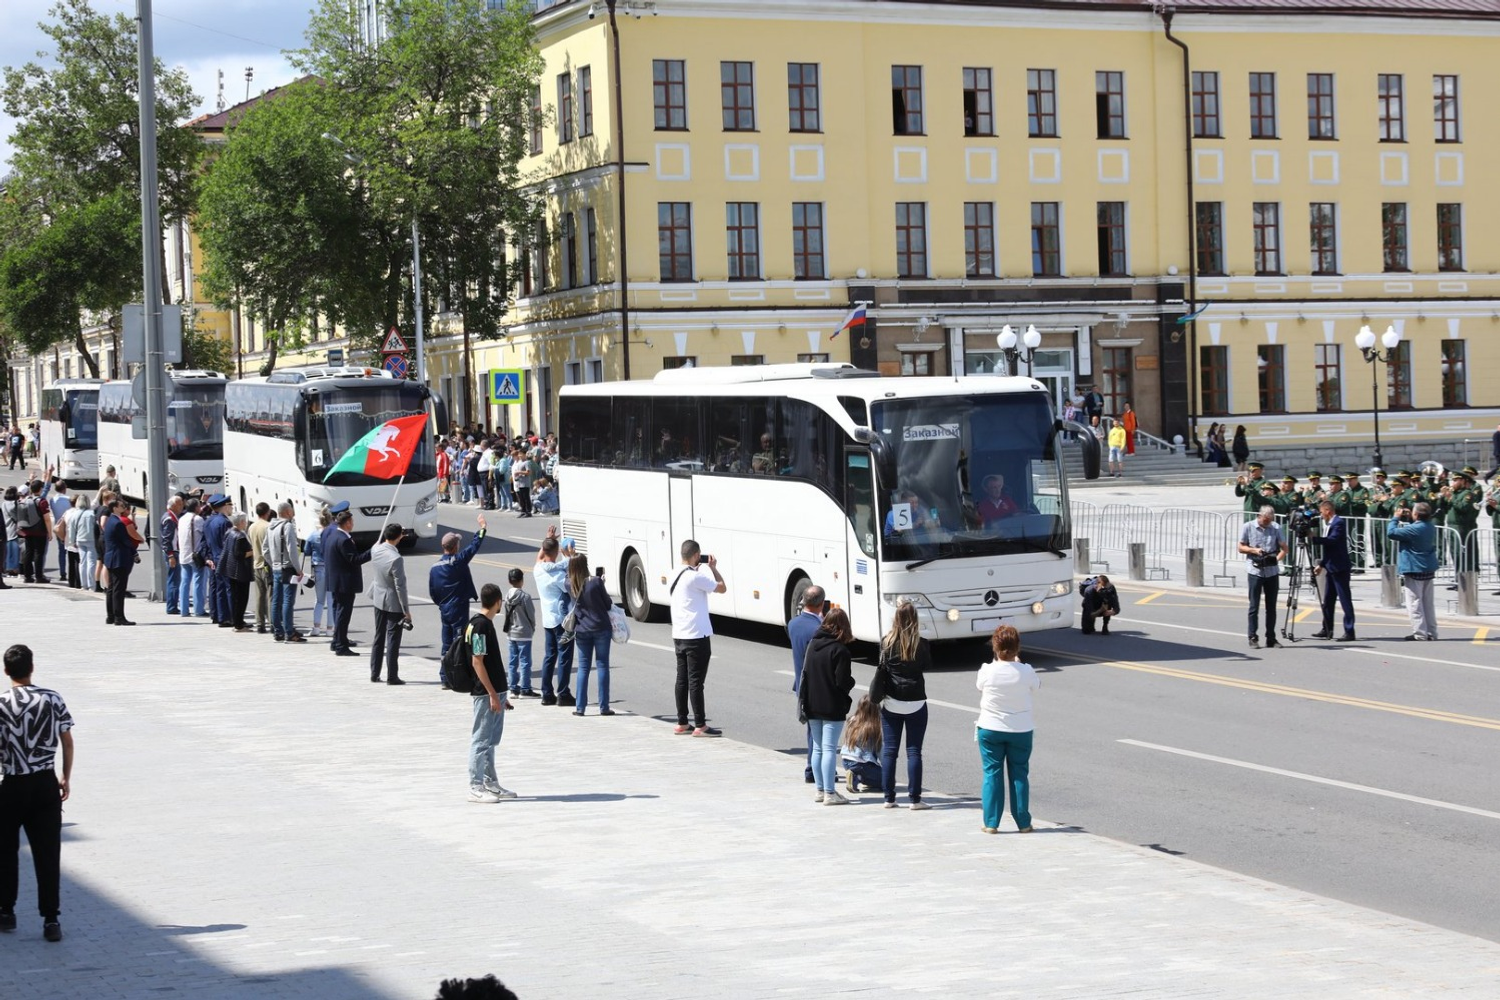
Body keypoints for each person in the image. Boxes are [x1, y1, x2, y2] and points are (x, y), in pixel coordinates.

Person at [0, 644, 75, 942]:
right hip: (45, 783)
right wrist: (65, 777)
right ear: (32, 667)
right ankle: (51, 919)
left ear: (6, 671)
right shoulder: (52, 698)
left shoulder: (2, 702)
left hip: (13, 783)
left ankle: (6, 910)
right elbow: (67, 741)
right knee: (47, 852)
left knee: (5, 851)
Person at [975, 624, 1039, 834]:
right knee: (1019, 774)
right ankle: (1023, 822)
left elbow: (979, 686)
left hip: (991, 727)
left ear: (995, 646)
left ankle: (991, 822)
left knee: (992, 773)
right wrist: (1019, 664)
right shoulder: (1026, 671)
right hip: (1021, 729)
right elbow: (1036, 686)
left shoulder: (987, 670)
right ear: (1017, 648)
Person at [870, 601, 931, 810]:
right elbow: (926, 665)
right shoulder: (921, 644)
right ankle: (915, 799)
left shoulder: (887, 642)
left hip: (891, 702)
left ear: (896, 619)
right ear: (915, 621)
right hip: (916, 702)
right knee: (914, 751)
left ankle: (889, 798)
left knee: (889, 751)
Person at [465, 583, 517, 803]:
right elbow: (478, 662)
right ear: (498, 602)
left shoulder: (483, 624)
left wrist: (500, 696)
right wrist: (493, 695)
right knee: (480, 739)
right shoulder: (479, 626)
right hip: (487, 694)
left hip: (495, 693)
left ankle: (490, 782)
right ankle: (475, 786)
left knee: (490, 741)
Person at [798, 608, 855, 805]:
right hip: (832, 706)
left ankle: (820, 790)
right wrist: (852, 682)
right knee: (830, 749)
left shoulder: (812, 645)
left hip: (812, 704)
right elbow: (842, 681)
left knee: (818, 749)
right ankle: (830, 793)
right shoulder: (840, 650)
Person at [669, 540, 725, 737]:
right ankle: (700, 724)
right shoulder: (695, 577)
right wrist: (713, 568)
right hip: (696, 635)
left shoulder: (674, 572)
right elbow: (721, 587)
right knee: (696, 681)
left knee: (682, 678)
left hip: (679, 634)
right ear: (695, 555)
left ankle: (682, 721)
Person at [429, 516, 488, 684]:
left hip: (445, 609)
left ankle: (444, 677)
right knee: (460, 642)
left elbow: (433, 591)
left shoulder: (435, 568)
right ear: (455, 547)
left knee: (446, 644)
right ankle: (459, 676)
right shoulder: (458, 561)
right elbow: (474, 546)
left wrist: (441, 604)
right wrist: (482, 529)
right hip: (459, 607)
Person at [787, 584, 825, 784]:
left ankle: (812, 767)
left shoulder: (793, 624)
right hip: (818, 686)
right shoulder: (819, 629)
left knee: (812, 729)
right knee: (820, 732)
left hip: (801, 685)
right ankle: (814, 769)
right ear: (820, 604)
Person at [568, 555, 615, 716]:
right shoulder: (595, 581)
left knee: (583, 667)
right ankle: (604, 706)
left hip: (582, 629)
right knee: (602, 665)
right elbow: (608, 603)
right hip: (601, 626)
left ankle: (580, 707)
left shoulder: (569, 584)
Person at [322, 504, 370, 657]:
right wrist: (372, 552)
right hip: (344, 584)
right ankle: (341, 645)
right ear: (347, 523)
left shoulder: (333, 536)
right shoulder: (343, 540)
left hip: (336, 582)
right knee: (343, 615)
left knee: (339, 613)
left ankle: (337, 641)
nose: (353, 524)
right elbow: (354, 560)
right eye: (352, 521)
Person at [533, 534, 576, 706]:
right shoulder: (556, 574)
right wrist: (572, 558)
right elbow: (572, 589)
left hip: (547, 619)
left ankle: (546, 693)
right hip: (561, 620)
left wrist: (546, 539)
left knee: (550, 656)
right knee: (565, 656)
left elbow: (539, 557)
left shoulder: (538, 569)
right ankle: (563, 693)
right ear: (556, 552)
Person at [367, 524, 412, 685]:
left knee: (379, 635)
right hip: (392, 602)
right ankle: (392, 676)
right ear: (399, 537)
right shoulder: (396, 558)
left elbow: (376, 545)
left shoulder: (375, 549)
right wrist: (406, 610)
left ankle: (374, 672)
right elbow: (400, 586)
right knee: (393, 639)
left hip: (379, 597)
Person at [1388, 501, 1439, 641]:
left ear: (1416, 514)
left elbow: (1391, 533)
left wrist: (1395, 518)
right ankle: (1431, 632)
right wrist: (1411, 517)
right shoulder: (1429, 525)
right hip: (1427, 567)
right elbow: (1415, 527)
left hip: (1415, 567)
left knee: (1415, 602)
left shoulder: (1415, 529)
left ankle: (1420, 632)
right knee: (1427, 603)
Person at [1238, 504, 1286, 650]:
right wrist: (1254, 550)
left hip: (1271, 572)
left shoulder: (1276, 527)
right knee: (1254, 606)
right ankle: (1252, 636)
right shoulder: (1248, 526)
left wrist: (1275, 559)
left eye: (1269, 521)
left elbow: (1285, 548)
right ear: (1259, 516)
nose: (1267, 523)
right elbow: (1240, 547)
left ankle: (1271, 638)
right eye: (1265, 521)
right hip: (1255, 571)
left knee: (1271, 607)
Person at [1309, 500, 1356, 642]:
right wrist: (1322, 564)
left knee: (1344, 600)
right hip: (1331, 567)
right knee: (1328, 600)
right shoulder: (1330, 524)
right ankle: (1327, 629)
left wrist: (1314, 539)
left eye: (1322, 512)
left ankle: (1349, 631)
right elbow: (1329, 550)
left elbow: (1333, 541)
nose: (1321, 515)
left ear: (1328, 511)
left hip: (1340, 568)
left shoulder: (1338, 523)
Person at [267, 502, 304, 643]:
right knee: (288, 600)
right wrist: (298, 569)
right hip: (288, 568)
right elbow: (292, 550)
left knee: (276, 600)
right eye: (292, 510)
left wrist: (273, 563)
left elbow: (265, 549)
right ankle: (289, 631)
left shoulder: (271, 526)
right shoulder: (287, 526)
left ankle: (278, 631)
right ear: (288, 512)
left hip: (276, 567)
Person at [102, 499, 142, 626]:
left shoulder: (109, 521)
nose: (124, 507)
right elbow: (126, 540)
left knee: (111, 588)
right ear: (114, 508)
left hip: (110, 558)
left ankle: (111, 616)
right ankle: (119, 617)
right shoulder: (118, 523)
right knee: (119, 589)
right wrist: (134, 553)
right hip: (119, 559)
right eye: (121, 506)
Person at [503, 568, 538, 698]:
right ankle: (525, 688)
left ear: (509, 581)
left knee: (512, 661)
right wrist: (532, 628)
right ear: (521, 581)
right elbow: (531, 615)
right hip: (524, 633)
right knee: (525, 662)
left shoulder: (507, 596)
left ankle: (513, 688)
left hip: (511, 632)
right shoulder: (525, 597)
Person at [839, 696, 883, 794]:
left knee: (870, 774)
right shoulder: (874, 726)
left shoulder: (852, 720)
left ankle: (857, 777)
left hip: (846, 760)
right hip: (861, 763)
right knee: (888, 781)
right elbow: (881, 751)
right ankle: (856, 777)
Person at [202, 495, 234, 626]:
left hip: (213, 558)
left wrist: (208, 557)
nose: (231, 508)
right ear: (225, 506)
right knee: (228, 589)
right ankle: (227, 617)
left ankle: (216, 614)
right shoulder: (225, 523)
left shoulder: (208, 521)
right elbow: (228, 544)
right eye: (230, 505)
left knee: (215, 588)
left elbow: (204, 542)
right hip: (224, 559)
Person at [222, 512, 254, 631]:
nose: (246, 524)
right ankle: (239, 624)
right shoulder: (240, 536)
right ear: (241, 522)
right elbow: (239, 554)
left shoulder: (229, 532)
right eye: (245, 521)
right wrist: (253, 552)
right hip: (240, 572)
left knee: (236, 598)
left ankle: (238, 622)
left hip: (231, 569)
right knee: (241, 598)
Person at [304, 507, 333, 636]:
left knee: (319, 600)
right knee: (331, 599)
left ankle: (316, 627)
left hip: (318, 568)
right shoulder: (332, 533)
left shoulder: (313, 535)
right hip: (331, 569)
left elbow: (306, 551)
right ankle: (330, 629)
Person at [16, 480, 52, 584]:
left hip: (27, 530)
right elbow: (47, 519)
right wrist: (49, 532)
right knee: (38, 554)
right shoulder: (41, 501)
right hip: (39, 532)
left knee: (28, 552)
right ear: (40, 489)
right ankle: (39, 576)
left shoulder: (26, 499)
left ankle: (27, 576)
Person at [175, 497, 205, 617]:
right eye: (199, 506)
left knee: (185, 582)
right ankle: (198, 609)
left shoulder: (181, 519)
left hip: (184, 554)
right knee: (198, 581)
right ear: (196, 507)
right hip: (195, 555)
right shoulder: (197, 519)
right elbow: (204, 534)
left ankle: (184, 609)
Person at [248, 502, 274, 635]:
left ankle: (260, 624)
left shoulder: (251, 526)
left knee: (259, 595)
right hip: (267, 565)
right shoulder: (268, 527)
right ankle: (272, 622)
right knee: (270, 595)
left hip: (256, 563)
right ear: (267, 512)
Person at [60, 495, 92, 590]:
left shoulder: (68, 512)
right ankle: (79, 582)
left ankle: (71, 582)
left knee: (71, 562)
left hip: (69, 539)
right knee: (80, 562)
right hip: (79, 539)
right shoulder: (81, 513)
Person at [159, 493, 182, 615]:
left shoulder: (170, 516)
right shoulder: (169, 519)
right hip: (172, 553)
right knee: (173, 580)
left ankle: (172, 605)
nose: (181, 506)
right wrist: (171, 555)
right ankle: (172, 606)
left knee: (173, 579)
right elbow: (166, 540)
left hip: (172, 552)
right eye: (180, 504)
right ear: (173, 505)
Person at [47, 483, 71, 582]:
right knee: (71, 551)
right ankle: (73, 572)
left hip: (58, 527)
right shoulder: (68, 499)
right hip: (68, 526)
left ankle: (62, 573)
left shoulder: (53, 500)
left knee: (61, 551)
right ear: (64, 488)